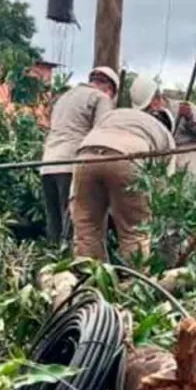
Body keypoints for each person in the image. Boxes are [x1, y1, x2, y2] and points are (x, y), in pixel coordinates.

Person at [71, 74, 174, 263]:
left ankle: (87, 281)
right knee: (134, 231)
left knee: (86, 228)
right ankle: (136, 285)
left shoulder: (116, 113)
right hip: (127, 156)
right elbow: (164, 182)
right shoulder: (164, 134)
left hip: (85, 155)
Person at [40, 67, 118, 243]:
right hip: (72, 165)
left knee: (55, 224)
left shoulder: (64, 97)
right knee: (75, 224)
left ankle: (51, 264)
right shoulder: (101, 98)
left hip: (48, 164)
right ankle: (72, 266)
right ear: (110, 88)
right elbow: (102, 134)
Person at [167, 96, 196, 180]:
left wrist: (189, 116)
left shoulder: (183, 106)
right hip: (170, 161)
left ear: (157, 98)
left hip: (193, 159)